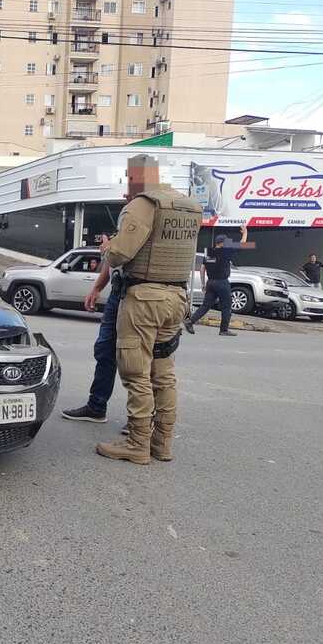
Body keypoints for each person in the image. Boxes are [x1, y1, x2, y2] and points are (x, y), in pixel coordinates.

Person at [94, 164, 201, 465]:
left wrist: (107, 247)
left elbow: (119, 255)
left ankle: (138, 445)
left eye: (129, 177)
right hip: (177, 296)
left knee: (136, 372)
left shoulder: (143, 205)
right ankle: (162, 444)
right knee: (164, 375)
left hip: (144, 298)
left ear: (137, 178)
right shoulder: (189, 206)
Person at [61, 255, 121, 423]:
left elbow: (122, 252)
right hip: (118, 291)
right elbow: (113, 259)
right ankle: (96, 407)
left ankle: (140, 422)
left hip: (142, 292)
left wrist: (110, 248)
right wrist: (96, 288)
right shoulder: (121, 229)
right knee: (104, 351)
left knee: (137, 357)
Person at [186, 226, 249, 337]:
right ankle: (223, 330)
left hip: (211, 282)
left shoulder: (209, 252)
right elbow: (243, 243)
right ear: (222, 243)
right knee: (226, 307)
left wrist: (203, 284)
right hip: (222, 283)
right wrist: (245, 232)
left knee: (205, 305)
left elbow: (202, 268)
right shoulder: (226, 250)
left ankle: (190, 321)